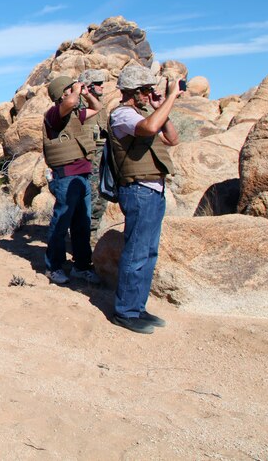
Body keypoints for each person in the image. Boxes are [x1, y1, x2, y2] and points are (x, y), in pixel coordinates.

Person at [108, 65, 180, 334]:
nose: (150, 94)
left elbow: (172, 139)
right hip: (138, 190)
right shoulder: (123, 115)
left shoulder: (141, 113)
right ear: (135, 92)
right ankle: (125, 312)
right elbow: (150, 127)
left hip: (152, 190)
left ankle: (137, 306)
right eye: (147, 90)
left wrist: (162, 107)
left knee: (148, 252)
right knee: (137, 251)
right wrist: (172, 96)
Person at [42, 75, 102, 285]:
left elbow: (97, 108)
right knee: (61, 223)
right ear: (61, 93)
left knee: (82, 223)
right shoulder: (54, 115)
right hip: (66, 176)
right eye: (69, 88)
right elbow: (68, 102)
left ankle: (81, 266)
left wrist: (86, 94)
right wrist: (75, 91)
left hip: (82, 175)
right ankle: (54, 267)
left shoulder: (73, 115)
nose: (74, 91)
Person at [77, 69, 110, 237]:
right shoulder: (77, 105)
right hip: (87, 159)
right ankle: (83, 238)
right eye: (98, 84)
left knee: (101, 198)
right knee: (87, 198)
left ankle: (92, 234)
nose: (102, 86)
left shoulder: (100, 106)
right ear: (88, 86)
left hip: (102, 156)